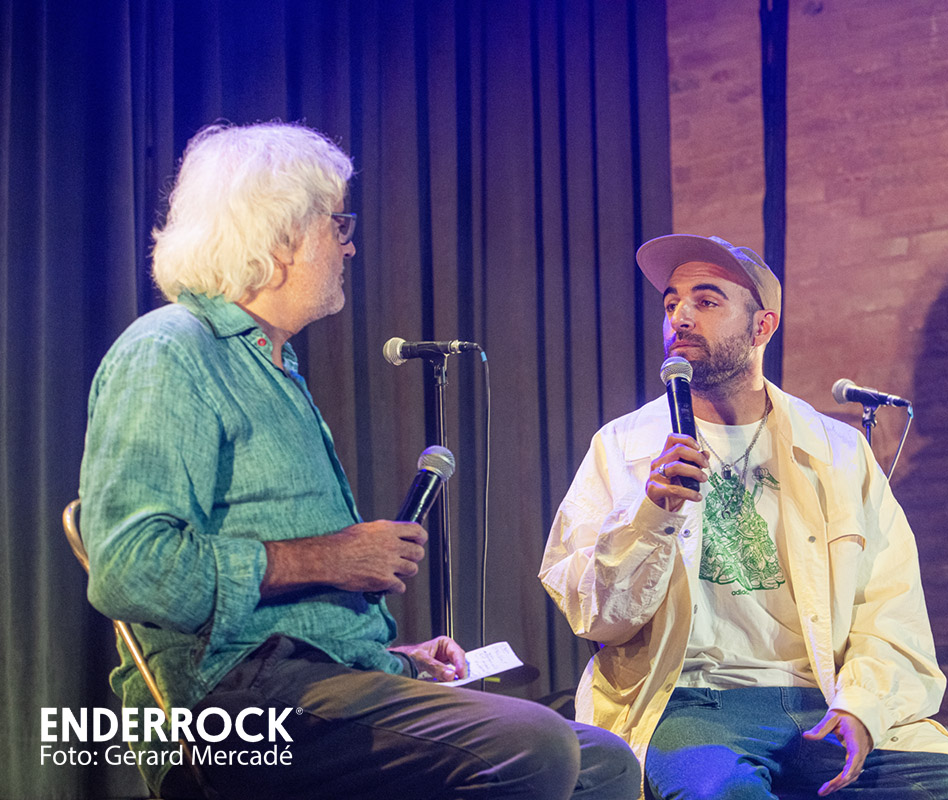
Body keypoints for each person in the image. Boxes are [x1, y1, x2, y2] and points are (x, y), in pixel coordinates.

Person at [79, 121, 640, 800]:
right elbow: (130, 570)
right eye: (337, 223)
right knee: (533, 745)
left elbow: (296, 619)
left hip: (315, 683)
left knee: (606, 762)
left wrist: (392, 661)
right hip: (229, 701)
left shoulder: (275, 369)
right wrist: (332, 557)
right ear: (279, 236)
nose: (349, 243)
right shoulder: (171, 349)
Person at [539, 234, 948, 799]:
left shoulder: (838, 451)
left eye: (706, 301)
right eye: (671, 303)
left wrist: (863, 707)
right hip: (693, 703)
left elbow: (890, 606)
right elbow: (596, 617)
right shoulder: (622, 447)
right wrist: (650, 514)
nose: (680, 318)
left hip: (826, 700)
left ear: (762, 327)